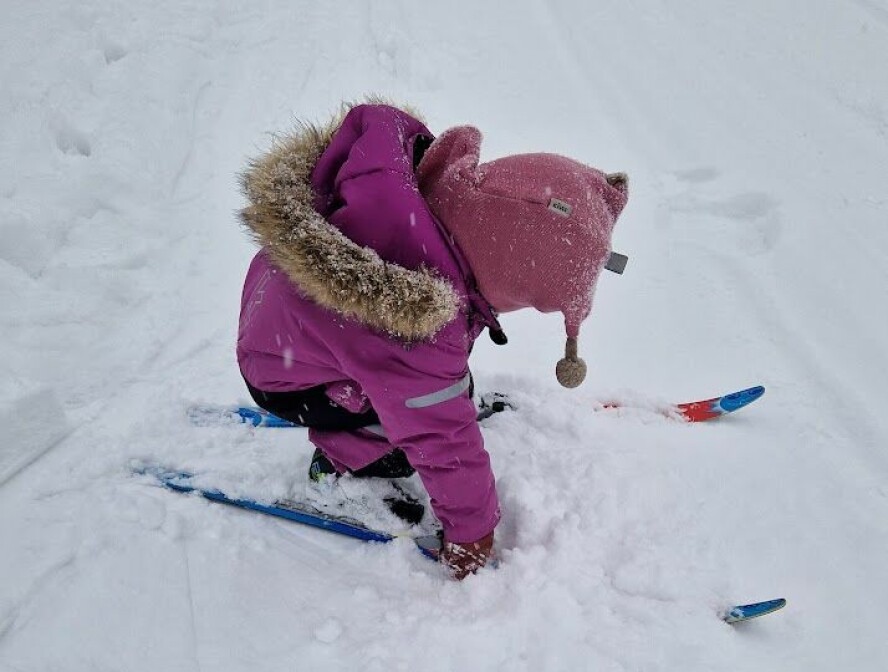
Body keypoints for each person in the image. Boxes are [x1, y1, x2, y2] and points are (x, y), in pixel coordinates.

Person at [236, 100, 629, 580]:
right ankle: (346, 465)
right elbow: (441, 436)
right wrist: (472, 531)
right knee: (414, 408)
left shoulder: (417, 213)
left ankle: (401, 396)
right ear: (505, 269)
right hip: (291, 376)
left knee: (424, 384)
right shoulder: (409, 319)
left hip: (285, 321)